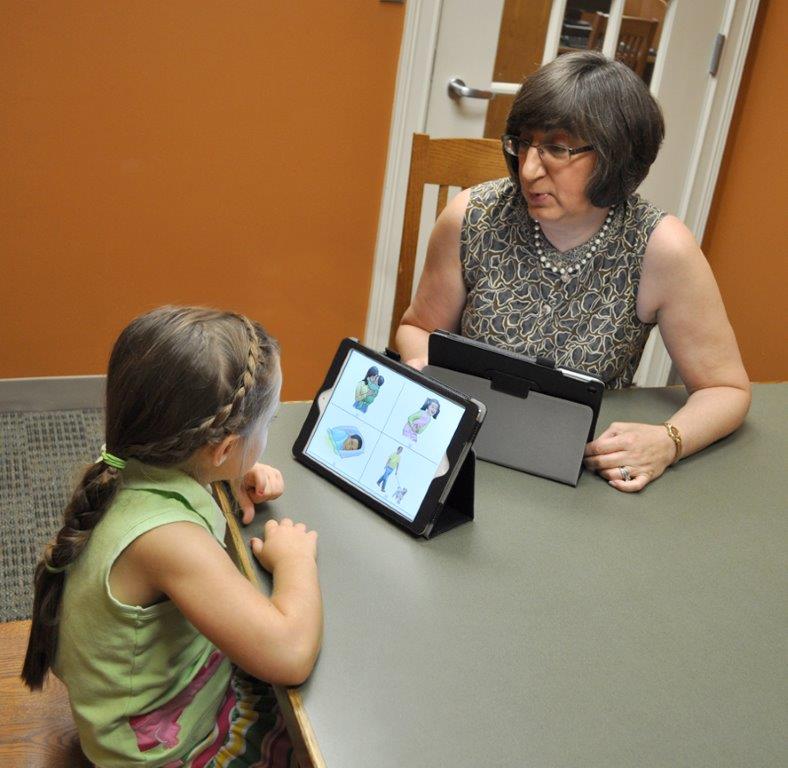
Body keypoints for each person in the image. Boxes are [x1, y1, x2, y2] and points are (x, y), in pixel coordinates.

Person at [394, 51, 750, 492]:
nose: (528, 168)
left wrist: (668, 440)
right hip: (463, 453)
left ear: (615, 156)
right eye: (522, 142)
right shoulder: (472, 216)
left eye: (557, 149)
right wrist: (425, 369)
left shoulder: (660, 248)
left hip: (579, 471)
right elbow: (418, 328)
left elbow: (727, 389)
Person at [22, 306, 322, 768]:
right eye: (268, 424)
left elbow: (193, 470)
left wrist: (232, 471)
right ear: (221, 448)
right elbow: (291, 654)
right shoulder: (167, 541)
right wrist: (294, 561)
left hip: (148, 702)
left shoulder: (123, 465)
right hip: (170, 752)